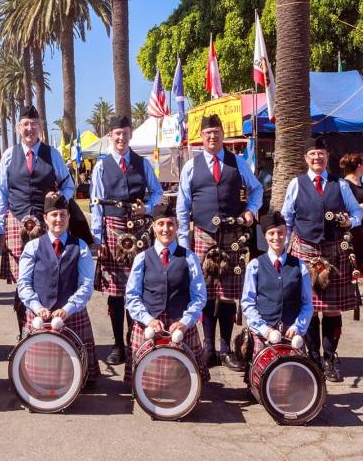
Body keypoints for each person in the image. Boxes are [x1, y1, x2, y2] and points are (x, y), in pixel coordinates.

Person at [177, 113, 263, 371]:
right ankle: (208, 348)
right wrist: (184, 242)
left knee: (227, 295)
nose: (212, 137)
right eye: (207, 133)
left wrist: (251, 210)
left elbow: (257, 189)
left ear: (223, 135)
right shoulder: (191, 166)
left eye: (216, 132)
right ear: (201, 137)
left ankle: (225, 348)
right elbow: (183, 205)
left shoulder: (238, 162)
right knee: (204, 292)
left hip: (232, 235)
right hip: (203, 233)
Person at [280, 137, 363, 382]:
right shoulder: (296, 184)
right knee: (308, 307)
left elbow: (356, 212)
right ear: (305, 158)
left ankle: (329, 357)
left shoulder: (340, 185)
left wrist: (350, 222)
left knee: (331, 309)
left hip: (333, 251)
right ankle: (313, 357)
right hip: (304, 249)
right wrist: (284, 252)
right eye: (312, 154)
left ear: (327, 156)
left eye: (321, 154)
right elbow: (287, 218)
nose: (317, 158)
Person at [89, 115, 164, 365]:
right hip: (112, 231)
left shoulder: (143, 164)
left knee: (137, 288)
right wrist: (99, 239)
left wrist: (148, 208)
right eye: (117, 133)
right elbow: (96, 204)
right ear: (110, 135)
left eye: (125, 133)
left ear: (130, 134)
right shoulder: (101, 166)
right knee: (116, 292)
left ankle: (134, 340)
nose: (121, 138)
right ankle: (118, 345)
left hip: (139, 232)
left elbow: (157, 192)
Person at [0, 106, 75, 334]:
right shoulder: (9, 156)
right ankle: (24, 330)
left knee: (46, 276)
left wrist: (58, 200)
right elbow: (0, 194)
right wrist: (1, 230)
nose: (29, 128)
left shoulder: (52, 155)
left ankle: (48, 329)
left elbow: (69, 186)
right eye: (25, 124)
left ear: (40, 127)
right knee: (22, 281)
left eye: (33, 124)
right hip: (16, 222)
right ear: (18, 128)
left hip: (46, 224)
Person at [16, 193, 99, 385]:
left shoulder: (81, 247)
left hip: (72, 315)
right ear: (45, 218)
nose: (58, 219)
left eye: (63, 214)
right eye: (54, 215)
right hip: (39, 314)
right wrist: (36, 307)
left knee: (79, 382)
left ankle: (78, 378)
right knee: (35, 382)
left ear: (69, 216)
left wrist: (68, 309)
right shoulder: (32, 247)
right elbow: (24, 283)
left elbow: (86, 285)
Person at [124, 199, 207, 384]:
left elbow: (199, 296)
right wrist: (148, 320)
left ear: (177, 226)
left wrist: (185, 322)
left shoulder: (189, 258)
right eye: (160, 224)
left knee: (184, 385)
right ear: (153, 227)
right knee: (146, 384)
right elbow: (132, 296)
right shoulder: (142, 258)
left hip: (181, 325)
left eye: (170, 224)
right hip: (149, 323)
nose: (165, 229)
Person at [240, 212, 313, 359]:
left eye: (280, 232)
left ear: (286, 233)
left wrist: (298, 327)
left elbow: (307, 304)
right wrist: (264, 329)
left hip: (292, 335)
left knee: (293, 372)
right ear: (265, 236)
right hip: (263, 335)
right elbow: (247, 303)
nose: (276, 237)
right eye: (271, 233)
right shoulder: (255, 266)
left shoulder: (300, 266)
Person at [339, 153, 363, 304]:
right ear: (359, 166)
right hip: (354, 230)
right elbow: (347, 209)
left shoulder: (361, 183)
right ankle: (356, 295)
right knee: (358, 262)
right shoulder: (345, 185)